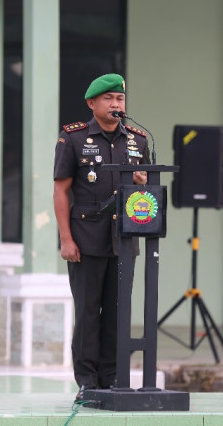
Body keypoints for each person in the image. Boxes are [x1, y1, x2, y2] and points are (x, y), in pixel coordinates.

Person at [53, 73, 150, 400]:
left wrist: (141, 184)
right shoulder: (73, 138)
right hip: (86, 237)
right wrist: (65, 238)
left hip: (124, 239)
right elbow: (61, 190)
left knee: (119, 310)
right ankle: (88, 380)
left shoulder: (138, 140)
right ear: (92, 104)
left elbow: (147, 195)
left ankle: (114, 377)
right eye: (108, 99)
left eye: (120, 99)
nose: (115, 104)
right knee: (88, 311)